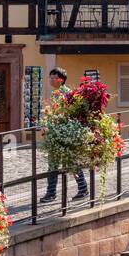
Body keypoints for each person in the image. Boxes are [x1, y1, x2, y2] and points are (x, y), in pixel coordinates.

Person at [43, 68, 88, 201]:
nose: (51, 80)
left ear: (61, 80)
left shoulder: (66, 93)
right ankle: (52, 193)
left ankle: (82, 189)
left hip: (64, 133)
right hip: (57, 133)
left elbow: (66, 113)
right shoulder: (56, 93)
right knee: (54, 163)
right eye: (50, 77)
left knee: (69, 162)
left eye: (53, 78)